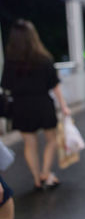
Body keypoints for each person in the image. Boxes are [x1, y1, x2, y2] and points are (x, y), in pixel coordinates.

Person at [1, 19, 71, 190]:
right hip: (42, 104)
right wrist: (63, 105)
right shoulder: (44, 58)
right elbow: (54, 85)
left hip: (20, 106)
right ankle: (46, 173)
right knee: (51, 140)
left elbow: (5, 85)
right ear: (33, 37)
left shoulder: (10, 62)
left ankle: (36, 179)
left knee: (29, 144)